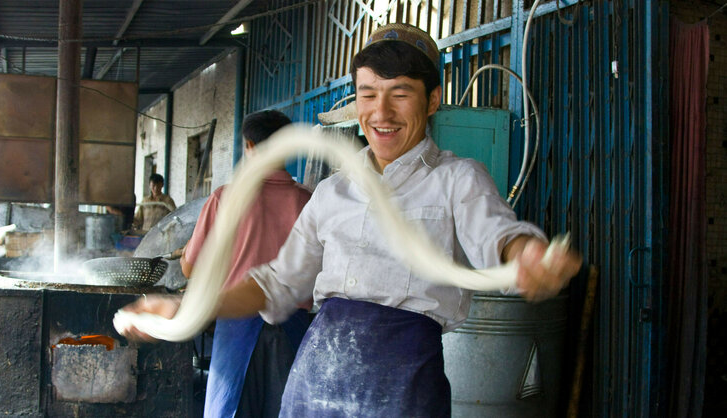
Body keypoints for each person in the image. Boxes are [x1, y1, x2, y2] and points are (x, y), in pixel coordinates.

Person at [119, 23, 582, 416]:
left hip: (404, 384)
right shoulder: (331, 192)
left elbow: (499, 236)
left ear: (433, 100)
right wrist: (192, 307)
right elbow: (276, 284)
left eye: (400, 94)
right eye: (369, 94)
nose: (381, 113)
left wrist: (528, 256)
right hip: (316, 377)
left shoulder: (457, 179)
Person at [178, 110, 312, 417]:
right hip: (294, 326)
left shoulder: (227, 198)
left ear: (248, 146)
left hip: (237, 322)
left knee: (230, 408)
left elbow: (191, 268)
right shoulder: (309, 200)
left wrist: (187, 252)